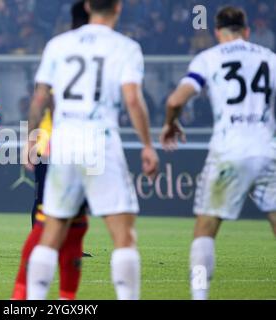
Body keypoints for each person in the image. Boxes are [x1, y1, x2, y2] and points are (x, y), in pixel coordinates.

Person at [24, 0, 159, 300]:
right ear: (118, 7)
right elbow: (134, 101)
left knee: (52, 231)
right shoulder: (126, 47)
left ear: (87, 6)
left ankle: (33, 302)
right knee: (123, 234)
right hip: (100, 140)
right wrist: (148, 144)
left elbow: (38, 99)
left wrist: (31, 139)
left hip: (64, 142)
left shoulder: (58, 45)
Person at [160, 6, 276, 300]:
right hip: (267, 149)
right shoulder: (269, 58)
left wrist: (170, 123)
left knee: (205, 230)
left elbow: (175, 100)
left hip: (228, 151)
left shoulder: (208, 58)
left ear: (217, 32)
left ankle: (200, 295)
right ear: (246, 31)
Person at [12, 1, 91, 301]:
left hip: (57, 143)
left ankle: (51, 260)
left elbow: (40, 98)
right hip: (62, 144)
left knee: (69, 211)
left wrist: (29, 140)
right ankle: (43, 255)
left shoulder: (57, 51)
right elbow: (41, 99)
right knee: (47, 205)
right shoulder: (99, 52)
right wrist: (32, 139)